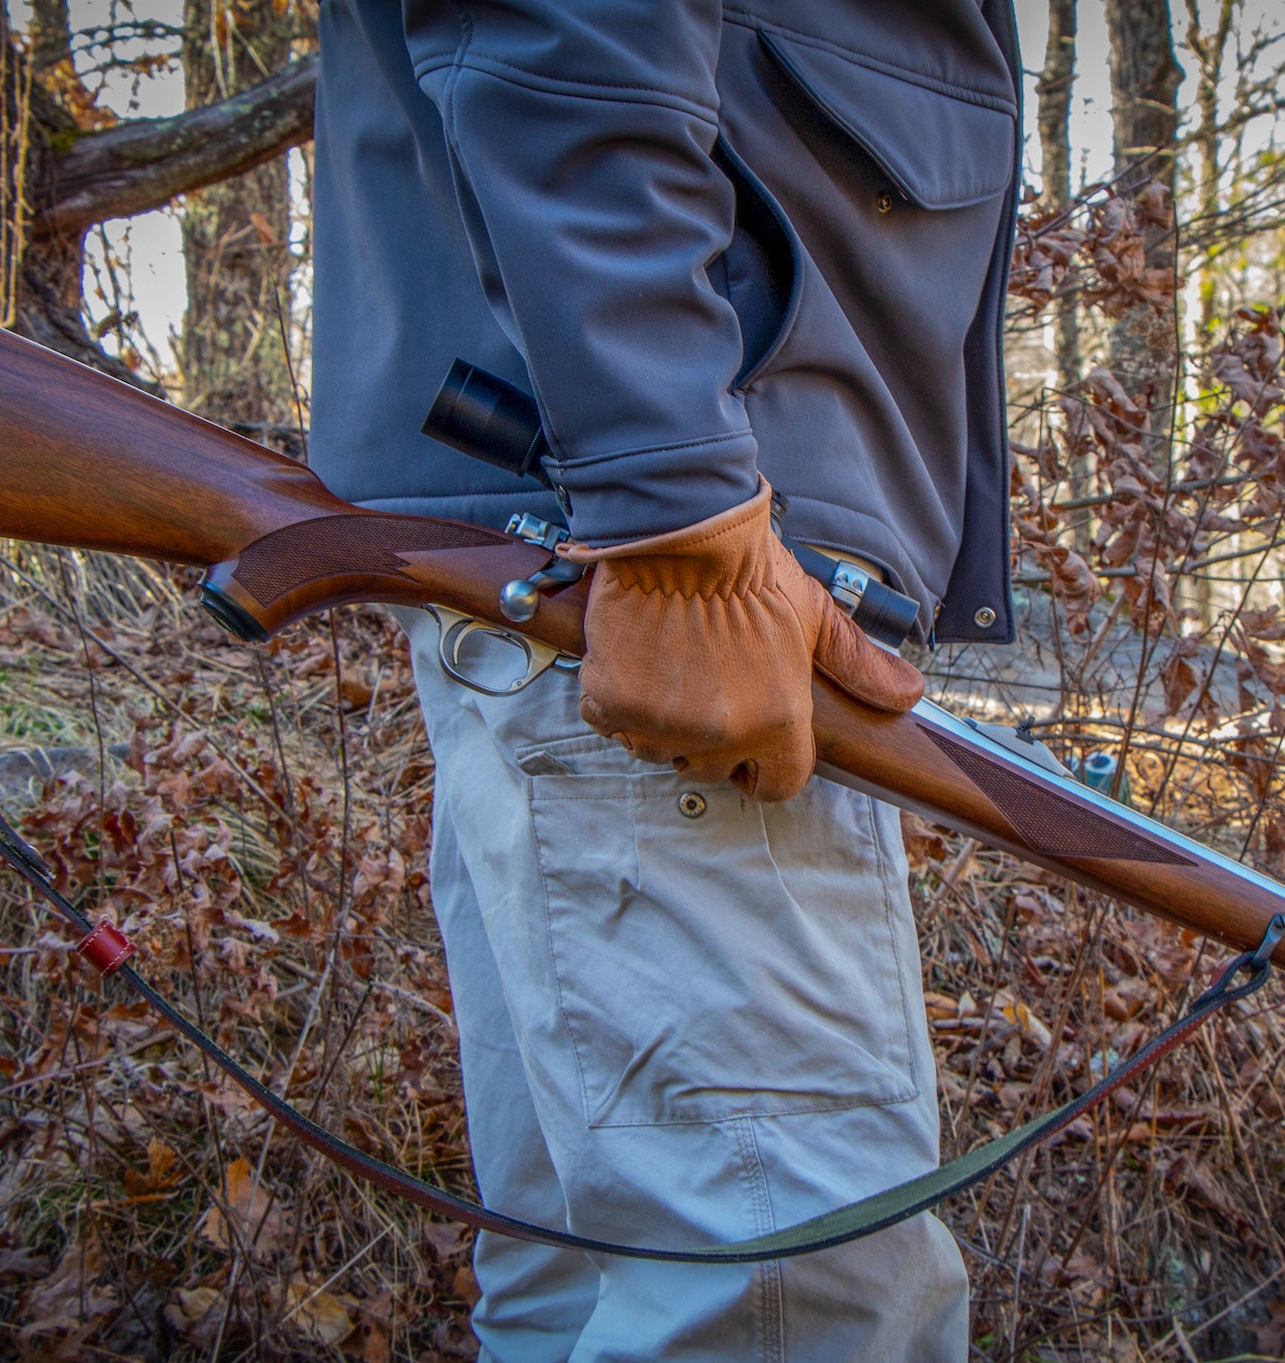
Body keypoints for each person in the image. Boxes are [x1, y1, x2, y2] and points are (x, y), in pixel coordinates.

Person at [304, 3, 1020, 1356]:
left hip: (655, 543)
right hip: (687, 566)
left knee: (600, 1284)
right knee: (787, 1303)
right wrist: (678, 509)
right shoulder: (683, 533)